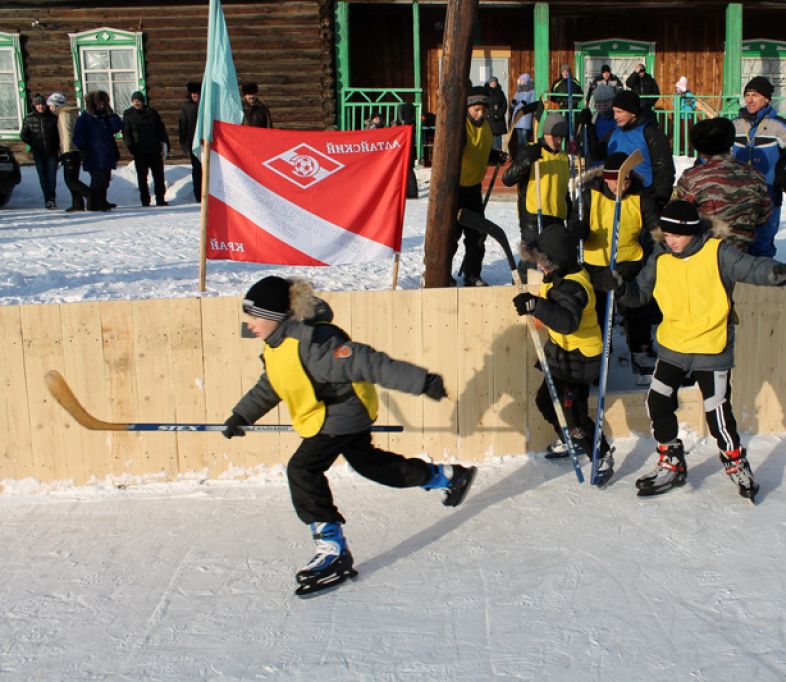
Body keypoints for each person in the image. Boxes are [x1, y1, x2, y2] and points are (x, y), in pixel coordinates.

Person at [222, 275, 477, 589]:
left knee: (303, 469)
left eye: (255, 316)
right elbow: (272, 384)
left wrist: (421, 381)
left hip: (340, 416)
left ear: (275, 317)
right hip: (330, 417)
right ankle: (447, 476)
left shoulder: (314, 345)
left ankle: (332, 548)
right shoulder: (276, 346)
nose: (249, 323)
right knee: (369, 464)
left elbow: (368, 363)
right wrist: (241, 415)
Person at [615, 200, 786, 501]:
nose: (669, 240)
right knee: (657, 402)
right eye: (666, 234)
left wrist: (774, 272)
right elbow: (639, 295)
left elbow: (751, 267)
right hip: (674, 344)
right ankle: (671, 461)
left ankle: (736, 463)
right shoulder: (660, 258)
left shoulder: (718, 253)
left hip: (711, 346)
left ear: (691, 232)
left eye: (675, 235)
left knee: (717, 412)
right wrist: (621, 288)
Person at [510, 225, 614, 485]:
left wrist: (536, 305)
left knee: (575, 414)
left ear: (554, 261)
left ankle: (599, 453)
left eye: (542, 262)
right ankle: (571, 439)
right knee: (546, 402)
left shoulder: (572, 287)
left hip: (578, 361)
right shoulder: (560, 277)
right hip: (561, 355)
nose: (540, 267)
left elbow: (568, 322)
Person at [576, 151, 660, 385]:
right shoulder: (589, 196)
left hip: (629, 262)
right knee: (599, 311)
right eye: (617, 180)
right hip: (597, 265)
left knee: (636, 309)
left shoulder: (640, 196)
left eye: (626, 180)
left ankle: (640, 351)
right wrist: (579, 231)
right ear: (606, 179)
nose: (622, 185)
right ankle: (600, 356)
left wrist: (662, 241)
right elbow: (575, 222)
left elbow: (654, 224)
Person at [732, 76, 786, 257]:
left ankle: (761, 282)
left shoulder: (780, 126)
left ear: (767, 99)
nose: (750, 99)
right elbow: (719, 152)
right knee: (735, 246)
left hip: (768, 195)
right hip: (737, 196)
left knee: (761, 246)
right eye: (747, 95)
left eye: (756, 95)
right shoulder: (735, 125)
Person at [674, 117, 773, 252]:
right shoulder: (755, 175)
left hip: (706, 251)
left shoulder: (693, 177)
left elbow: (680, 215)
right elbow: (764, 214)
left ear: (700, 149)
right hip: (743, 252)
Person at [502, 113, 570, 280]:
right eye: (554, 136)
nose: (558, 141)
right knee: (530, 261)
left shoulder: (563, 157)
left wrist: (570, 213)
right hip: (533, 216)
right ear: (545, 134)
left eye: (561, 137)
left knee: (553, 262)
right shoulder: (532, 150)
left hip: (556, 217)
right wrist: (526, 161)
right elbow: (507, 178)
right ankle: (520, 292)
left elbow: (563, 190)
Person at [450, 86, 506, 287]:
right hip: (453, 190)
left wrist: (494, 155)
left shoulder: (486, 127)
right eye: (476, 110)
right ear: (467, 108)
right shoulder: (460, 127)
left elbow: (479, 149)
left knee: (477, 235)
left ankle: (472, 274)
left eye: (484, 110)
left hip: (473, 189)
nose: (481, 114)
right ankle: (441, 272)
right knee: (451, 235)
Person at [600, 90, 674, 210]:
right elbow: (598, 155)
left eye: (619, 112)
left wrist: (658, 200)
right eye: (614, 112)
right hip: (617, 197)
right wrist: (589, 129)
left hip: (644, 198)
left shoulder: (650, 133)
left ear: (633, 112)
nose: (615, 117)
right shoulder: (614, 133)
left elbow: (664, 169)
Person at [72, 90, 122, 212]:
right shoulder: (85, 119)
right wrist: (83, 148)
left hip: (107, 154)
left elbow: (117, 127)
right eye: (99, 103)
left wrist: (111, 113)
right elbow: (77, 137)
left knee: (105, 180)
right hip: (93, 155)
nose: (102, 105)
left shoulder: (105, 117)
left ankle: (102, 201)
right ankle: (93, 204)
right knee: (97, 180)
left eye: (103, 103)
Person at [122, 91, 169, 207]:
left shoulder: (152, 113)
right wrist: (131, 147)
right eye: (134, 101)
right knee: (142, 177)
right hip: (140, 151)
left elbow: (161, 129)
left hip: (154, 150)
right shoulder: (129, 115)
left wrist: (164, 143)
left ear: (143, 101)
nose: (136, 103)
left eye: (138, 101)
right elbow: (126, 133)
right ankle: (145, 200)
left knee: (159, 176)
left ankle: (160, 199)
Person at [48, 92, 91, 212]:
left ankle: (91, 195)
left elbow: (66, 134)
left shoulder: (64, 114)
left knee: (71, 180)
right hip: (75, 149)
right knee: (72, 179)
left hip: (70, 150)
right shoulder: (71, 113)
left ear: (56, 105)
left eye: (51, 105)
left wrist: (65, 151)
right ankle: (77, 204)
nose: (49, 108)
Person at [19, 94, 60, 209]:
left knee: (51, 177)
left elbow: (59, 135)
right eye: (38, 104)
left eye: (42, 104)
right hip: (39, 153)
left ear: (46, 105)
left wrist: (57, 147)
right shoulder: (29, 118)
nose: (40, 106)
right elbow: (23, 135)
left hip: (52, 152)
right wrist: (33, 143)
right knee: (43, 178)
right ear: (34, 105)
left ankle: (51, 199)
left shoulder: (53, 118)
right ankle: (47, 199)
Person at [178, 81, 202, 202]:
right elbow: (183, 125)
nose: (194, 96)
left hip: (206, 143)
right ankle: (198, 195)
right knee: (197, 170)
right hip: (193, 143)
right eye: (192, 94)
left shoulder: (206, 105)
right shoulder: (187, 107)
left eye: (196, 93)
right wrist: (183, 142)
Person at [509, 73, 536, 150]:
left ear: (526, 81)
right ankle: (520, 156)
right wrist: (513, 103)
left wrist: (526, 104)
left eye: (521, 80)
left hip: (525, 117)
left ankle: (525, 156)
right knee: (519, 140)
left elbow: (533, 103)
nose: (520, 82)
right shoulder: (519, 91)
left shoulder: (532, 91)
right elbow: (514, 103)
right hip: (517, 118)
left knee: (524, 140)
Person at [485, 76, 508, 151]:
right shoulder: (486, 92)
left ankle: (499, 154)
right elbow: (485, 105)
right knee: (489, 138)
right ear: (489, 83)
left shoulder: (500, 93)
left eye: (495, 83)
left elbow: (504, 105)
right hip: (489, 119)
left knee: (498, 139)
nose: (493, 84)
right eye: (492, 83)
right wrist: (489, 113)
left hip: (499, 120)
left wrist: (500, 113)